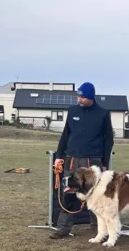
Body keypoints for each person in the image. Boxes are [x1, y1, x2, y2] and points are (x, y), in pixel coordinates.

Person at [49, 82, 114, 239]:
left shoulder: (103, 113)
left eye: (82, 97)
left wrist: (104, 162)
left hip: (94, 161)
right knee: (68, 193)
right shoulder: (73, 111)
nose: (79, 99)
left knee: (96, 194)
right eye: (78, 96)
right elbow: (65, 135)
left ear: (91, 97)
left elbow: (108, 139)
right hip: (72, 159)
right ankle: (63, 229)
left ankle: (99, 230)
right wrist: (59, 157)